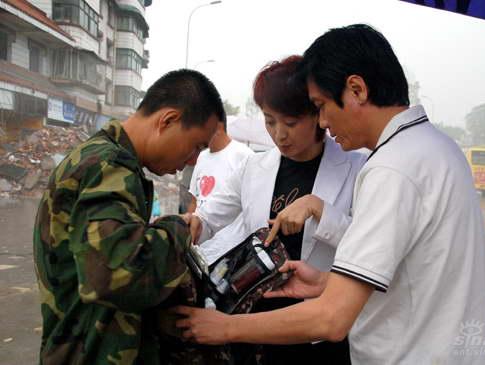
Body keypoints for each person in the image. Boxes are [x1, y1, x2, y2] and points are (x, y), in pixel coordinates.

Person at [176, 24, 485, 365]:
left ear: (356, 89)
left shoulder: (391, 168)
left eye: (321, 106)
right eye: (271, 121)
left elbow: (331, 319)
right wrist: (327, 282)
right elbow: (411, 272)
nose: (324, 121)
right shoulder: (436, 148)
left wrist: (226, 328)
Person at [32, 69, 224, 364]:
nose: (194, 160)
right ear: (168, 120)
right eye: (197, 145)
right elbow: (114, 272)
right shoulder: (108, 165)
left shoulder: (101, 157)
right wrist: (177, 230)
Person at [185, 55, 367, 364]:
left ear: (318, 114)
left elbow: (371, 247)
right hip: (251, 323)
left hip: (316, 332)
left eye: (291, 123)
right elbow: (211, 215)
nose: (279, 134)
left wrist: (321, 210)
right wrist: (191, 223)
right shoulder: (254, 166)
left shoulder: (357, 168)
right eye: (270, 121)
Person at [188, 116, 254, 262]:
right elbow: (194, 200)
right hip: (200, 244)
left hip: (228, 252)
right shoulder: (201, 157)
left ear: (216, 126)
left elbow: (248, 209)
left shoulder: (245, 156)